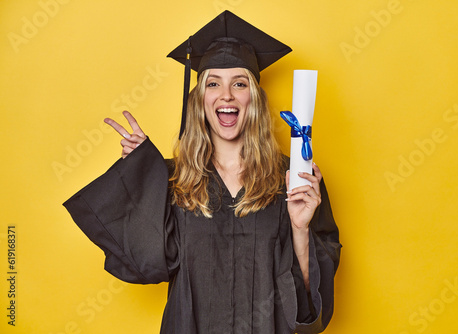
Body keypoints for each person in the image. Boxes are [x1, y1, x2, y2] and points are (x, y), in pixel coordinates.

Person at [63, 10, 341, 334]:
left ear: (254, 98)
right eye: (213, 83)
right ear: (199, 100)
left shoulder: (292, 178)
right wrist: (142, 173)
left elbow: (307, 306)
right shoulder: (174, 181)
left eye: (239, 83)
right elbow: (147, 262)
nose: (226, 95)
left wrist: (300, 228)